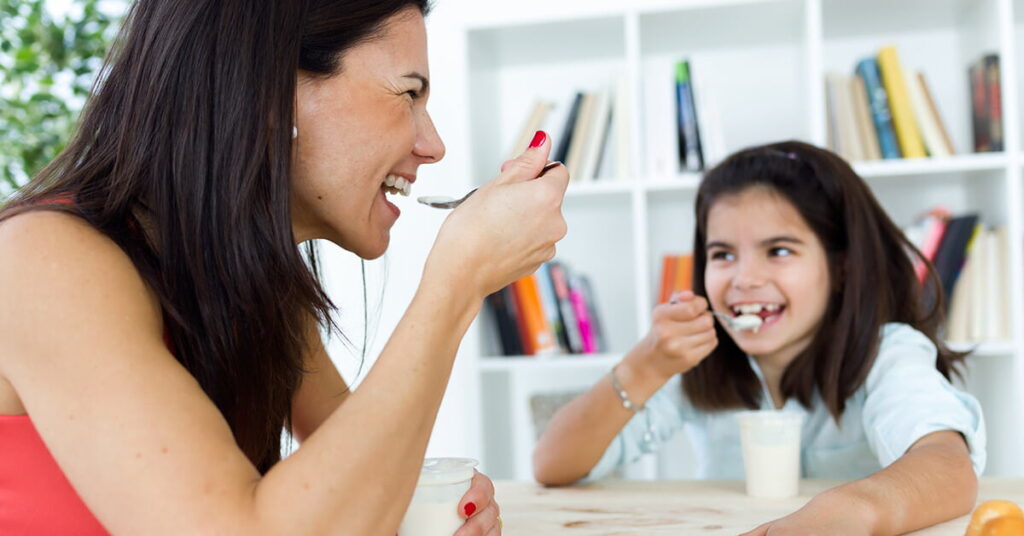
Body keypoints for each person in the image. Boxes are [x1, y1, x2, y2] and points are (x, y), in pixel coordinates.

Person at [0, 1, 568, 534]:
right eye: (408, 94)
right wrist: (457, 281)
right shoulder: (40, 261)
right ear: (270, 98)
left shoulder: (251, 280)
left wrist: (419, 505)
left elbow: (352, 484)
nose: (433, 144)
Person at [533, 141, 985, 535]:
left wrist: (848, 510)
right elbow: (554, 465)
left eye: (779, 250)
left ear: (842, 267)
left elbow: (948, 466)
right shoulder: (697, 361)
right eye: (723, 254)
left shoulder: (887, 354)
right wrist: (643, 366)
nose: (745, 279)